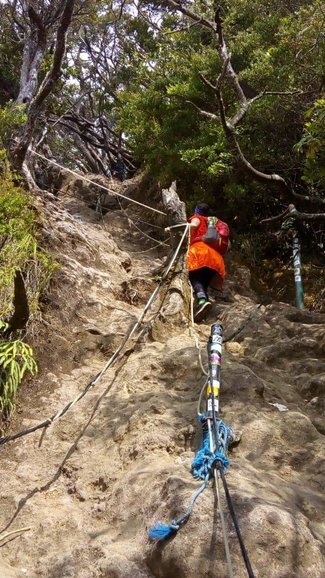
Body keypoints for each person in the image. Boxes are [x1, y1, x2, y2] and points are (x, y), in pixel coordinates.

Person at [187, 202, 229, 320]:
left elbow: (194, 225)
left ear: (197, 210)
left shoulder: (197, 218)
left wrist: (182, 226)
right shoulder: (213, 222)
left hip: (200, 253)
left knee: (193, 277)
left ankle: (201, 299)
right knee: (203, 282)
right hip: (216, 258)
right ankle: (202, 306)